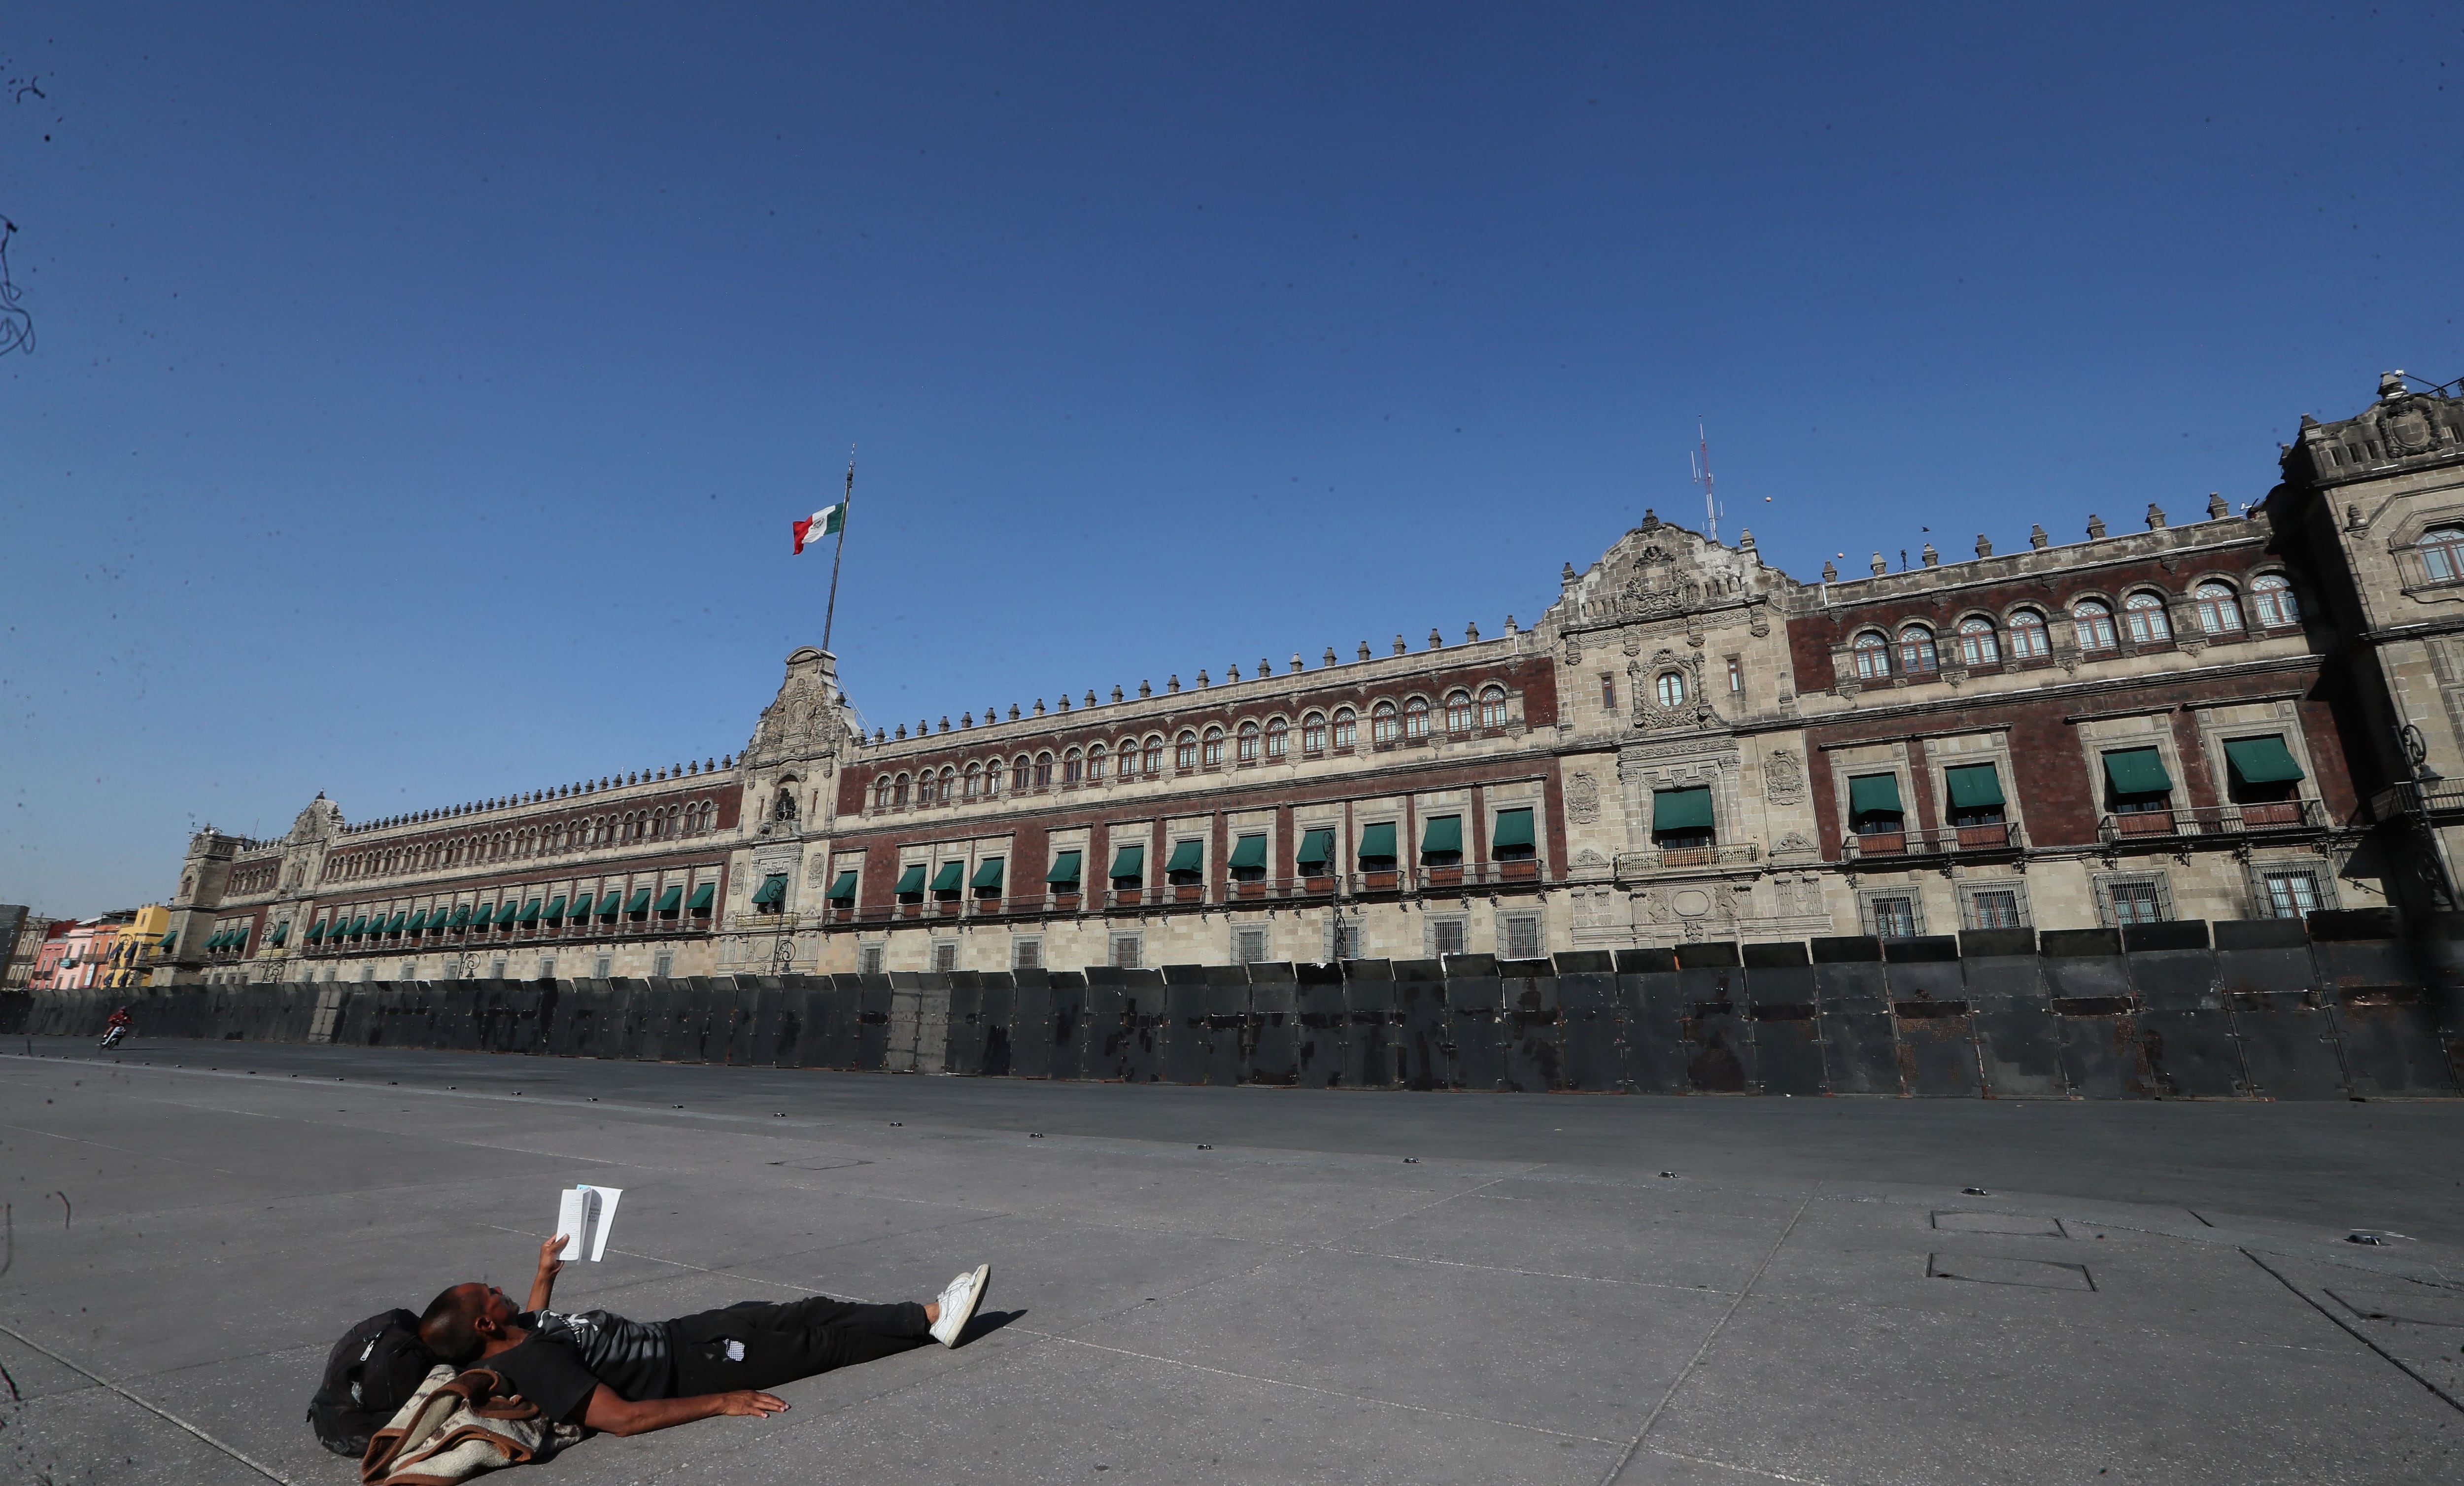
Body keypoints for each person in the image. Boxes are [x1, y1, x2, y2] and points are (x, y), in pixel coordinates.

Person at [417, 1236, 990, 1436]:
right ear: (485, 1326)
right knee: (818, 1344)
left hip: (689, 1332)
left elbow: (540, 1321)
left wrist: (543, 1274)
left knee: (805, 1310)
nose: (499, 1289)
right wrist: (722, 1402)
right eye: (489, 1293)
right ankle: (934, 1317)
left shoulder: (523, 1334)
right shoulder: (535, 1366)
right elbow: (621, 1419)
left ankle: (929, 1314)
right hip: (699, 1366)